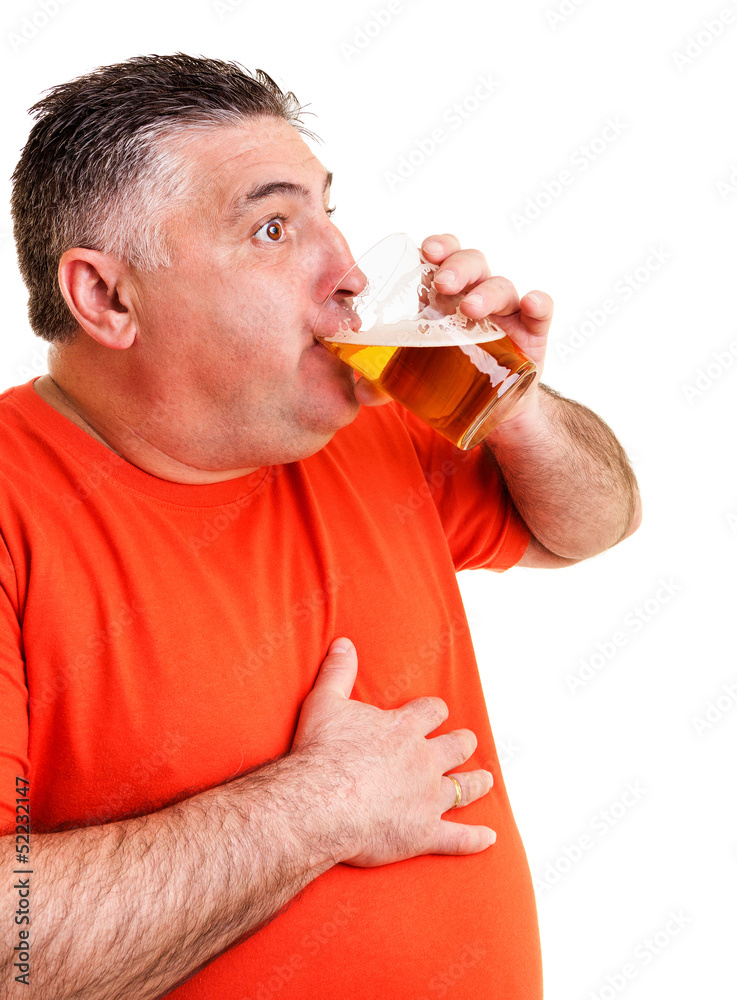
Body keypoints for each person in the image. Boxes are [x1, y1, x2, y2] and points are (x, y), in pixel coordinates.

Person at [0, 54, 640, 999]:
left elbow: (594, 523)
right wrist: (314, 812)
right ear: (107, 298)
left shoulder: (368, 420)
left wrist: (511, 398)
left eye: (326, 211)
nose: (347, 273)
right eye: (271, 228)